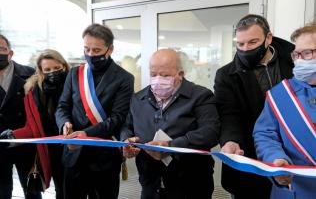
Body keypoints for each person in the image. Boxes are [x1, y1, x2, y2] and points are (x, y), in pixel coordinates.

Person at [214, 14, 294, 198]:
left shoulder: (297, 60)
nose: (245, 49)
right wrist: (231, 140)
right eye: (240, 44)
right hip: (251, 157)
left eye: (252, 42)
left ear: (268, 38)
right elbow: (229, 114)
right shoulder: (226, 75)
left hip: (295, 155)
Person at [121, 49, 220, 199]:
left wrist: (171, 145)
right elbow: (127, 126)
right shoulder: (138, 99)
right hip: (150, 183)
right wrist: (126, 141)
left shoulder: (200, 96)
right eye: (153, 74)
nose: (158, 79)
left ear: (180, 74)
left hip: (190, 183)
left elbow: (211, 132)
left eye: (165, 75)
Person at [55, 23, 134, 199]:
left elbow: (118, 117)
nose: (90, 55)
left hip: (104, 158)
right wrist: (64, 124)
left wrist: (86, 134)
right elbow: (62, 106)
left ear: (110, 49)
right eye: (87, 49)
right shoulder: (75, 73)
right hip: (73, 153)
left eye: (96, 50)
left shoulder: (124, 78)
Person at [253, 22, 316, 199]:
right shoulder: (280, 94)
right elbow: (265, 134)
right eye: (296, 54)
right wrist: (276, 159)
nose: (300, 60)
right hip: (294, 190)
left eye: (308, 53)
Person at [2, 49, 70, 199]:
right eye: (47, 69)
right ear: (40, 71)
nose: (52, 72)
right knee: (60, 190)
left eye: (57, 68)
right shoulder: (33, 93)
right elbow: (33, 127)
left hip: (74, 147)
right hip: (50, 150)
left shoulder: (74, 87)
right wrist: (14, 135)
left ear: (64, 66)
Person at [0, 34, 40, 199]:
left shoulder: (29, 74)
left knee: (32, 191)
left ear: (11, 53)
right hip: (0, 145)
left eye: (2, 49)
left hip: (25, 144)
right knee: (2, 192)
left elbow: (39, 110)